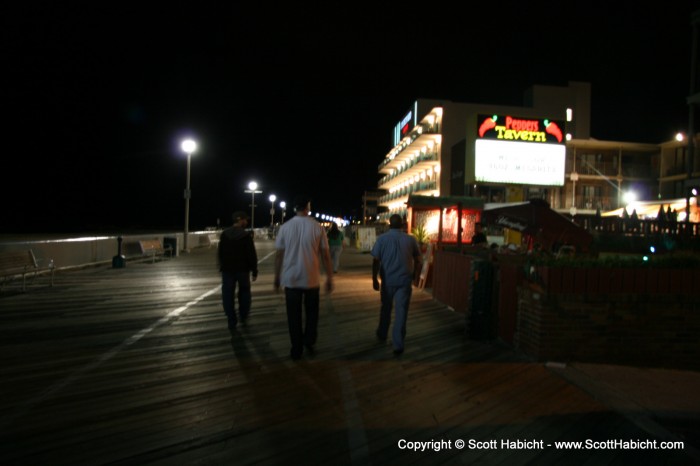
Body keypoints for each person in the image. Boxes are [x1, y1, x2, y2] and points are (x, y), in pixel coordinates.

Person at [274, 195, 334, 360]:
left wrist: (277, 277)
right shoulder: (317, 227)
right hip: (311, 278)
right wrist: (329, 277)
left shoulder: (285, 227)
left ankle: (296, 348)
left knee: (293, 316)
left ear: (295, 208)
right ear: (308, 207)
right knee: (312, 313)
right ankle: (309, 341)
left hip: (291, 279)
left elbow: (279, 255)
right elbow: (326, 255)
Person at [371, 214, 422, 355]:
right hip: (404, 281)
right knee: (401, 312)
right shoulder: (411, 240)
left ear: (389, 224)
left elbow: (376, 261)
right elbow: (419, 260)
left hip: (387, 281)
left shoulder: (382, 239)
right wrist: (416, 277)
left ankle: (382, 333)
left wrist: (374, 279)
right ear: (402, 225)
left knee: (386, 309)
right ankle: (398, 344)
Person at [218, 211, 258, 332]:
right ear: (240, 220)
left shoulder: (224, 234)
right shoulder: (245, 236)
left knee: (227, 295)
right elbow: (251, 254)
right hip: (242, 270)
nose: (246, 222)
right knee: (245, 292)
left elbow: (220, 253)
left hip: (227, 270)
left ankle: (231, 319)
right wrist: (254, 270)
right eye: (245, 220)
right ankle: (243, 315)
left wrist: (222, 265)